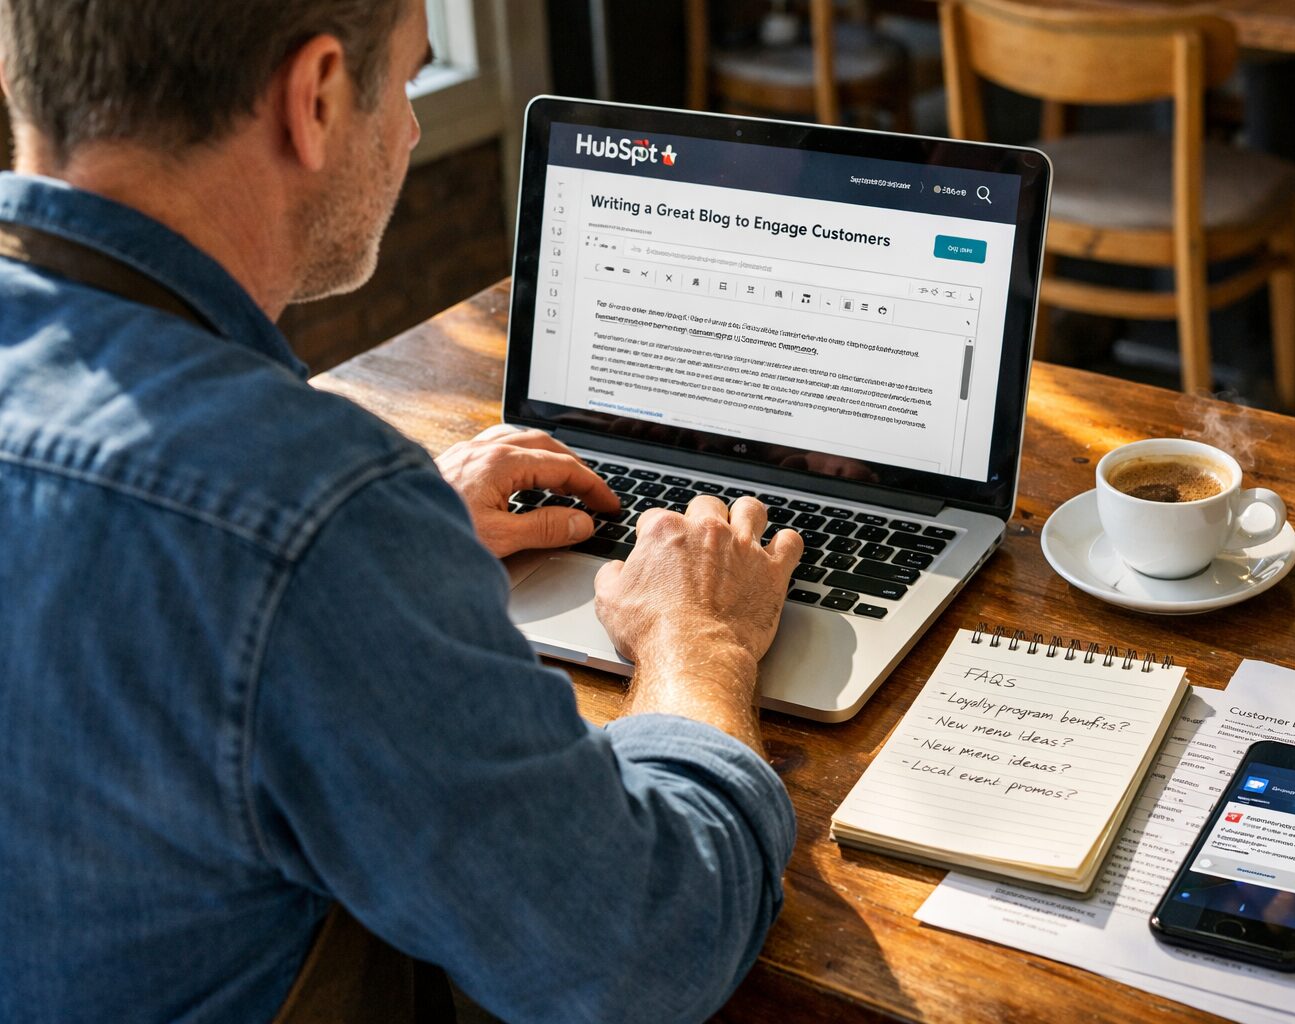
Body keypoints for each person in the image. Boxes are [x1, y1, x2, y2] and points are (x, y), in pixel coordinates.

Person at [0, 1, 804, 1020]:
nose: (413, 128)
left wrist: (390, 537)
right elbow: (642, 954)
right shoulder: (305, 516)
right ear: (319, 96)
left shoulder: (298, 523)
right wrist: (702, 642)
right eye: (413, 79)